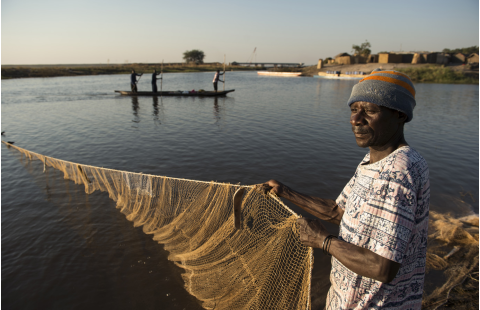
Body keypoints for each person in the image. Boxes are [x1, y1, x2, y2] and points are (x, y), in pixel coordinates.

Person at [262, 70, 429, 309]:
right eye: (354, 110)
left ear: (399, 115)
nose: (355, 119)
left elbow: (383, 267)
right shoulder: (374, 160)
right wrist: (285, 191)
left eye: (370, 111)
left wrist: (323, 240)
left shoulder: (397, 173)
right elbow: (338, 212)